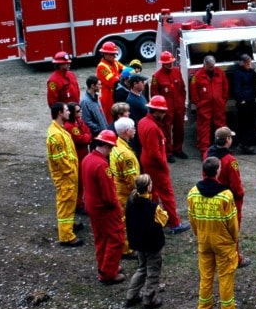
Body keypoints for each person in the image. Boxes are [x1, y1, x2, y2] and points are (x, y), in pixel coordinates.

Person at [187, 157, 242, 309]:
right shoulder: (225, 195)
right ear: (218, 171)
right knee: (225, 279)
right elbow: (233, 223)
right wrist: (234, 240)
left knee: (206, 277)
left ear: (204, 171)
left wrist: (199, 234)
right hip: (223, 243)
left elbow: (192, 219)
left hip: (204, 241)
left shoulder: (192, 193)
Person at [138, 95, 190, 235]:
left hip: (147, 163)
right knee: (167, 194)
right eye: (162, 111)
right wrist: (164, 166)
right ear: (155, 111)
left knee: (152, 193)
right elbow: (155, 153)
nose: (164, 114)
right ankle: (174, 223)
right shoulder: (153, 128)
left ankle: (155, 219)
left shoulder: (143, 122)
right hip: (156, 166)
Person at [81, 129, 125, 284]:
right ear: (106, 146)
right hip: (104, 209)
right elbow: (109, 195)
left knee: (101, 239)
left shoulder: (87, 159)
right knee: (116, 239)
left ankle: (105, 266)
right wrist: (117, 208)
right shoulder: (102, 166)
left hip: (92, 207)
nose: (111, 151)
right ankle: (108, 273)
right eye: (111, 148)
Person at [206, 127, 250, 267]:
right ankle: (235, 257)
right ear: (227, 140)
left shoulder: (208, 154)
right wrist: (240, 195)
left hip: (213, 195)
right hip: (230, 200)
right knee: (233, 229)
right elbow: (236, 185)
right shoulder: (230, 160)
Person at [125, 174, 167, 309]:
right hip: (152, 244)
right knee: (153, 271)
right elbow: (163, 220)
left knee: (142, 268)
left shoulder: (131, 201)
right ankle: (149, 298)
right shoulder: (152, 207)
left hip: (138, 243)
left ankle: (131, 295)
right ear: (148, 187)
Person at [46, 102, 83, 247]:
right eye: (67, 110)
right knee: (65, 203)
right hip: (65, 176)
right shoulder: (56, 135)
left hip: (69, 174)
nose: (69, 112)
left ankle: (69, 225)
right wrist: (71, 171)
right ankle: (66, 236)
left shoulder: (60, 130)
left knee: (70, 202)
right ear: (60, 113)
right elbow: (60, 159)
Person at [110, 117, 141, 257]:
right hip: (125, 192)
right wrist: (139, 189)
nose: (135, 130)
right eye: (133, 127)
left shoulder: (117, 145)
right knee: (125, 220)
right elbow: (132, 178)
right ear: (127, 131)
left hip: (118, 188)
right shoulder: (126, 154)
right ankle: (126, 249)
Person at [190, 55, 229, 158]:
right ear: (205, 64)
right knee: (203, 128)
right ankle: (205, 152)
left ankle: (222, 148)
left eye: (213, 66)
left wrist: (223, 100)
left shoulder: (220, 73)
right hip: (204, 106)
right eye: (210, 67)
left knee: (221, 127)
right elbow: (193, 93)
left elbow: (225, 87)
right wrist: (198, 104)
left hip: (218, 105)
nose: (212, 68)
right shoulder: (197, 76)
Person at [151, 51, 187, 162]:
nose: (170, 64)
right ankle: (168, 151)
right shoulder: (156, 76)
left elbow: (182, 89)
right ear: (163, 63)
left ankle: (178, 149)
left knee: (180, 129)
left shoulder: (177, 72)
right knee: (166, 131)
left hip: (178, 107)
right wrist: (159, 111)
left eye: (171, 62)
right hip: (166, 110)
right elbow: (154, 94)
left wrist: (182, 103)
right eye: (167, 63)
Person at [64, 102, 92, 214]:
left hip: (83, 153)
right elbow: (82, 139)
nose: (81, 112)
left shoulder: (78, 121)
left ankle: (80, 201)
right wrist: (87, 136)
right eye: (78, 111)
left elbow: (87, 131)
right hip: (78, 155)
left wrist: (86, 136)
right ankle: (78, 204)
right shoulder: (70, 126)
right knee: (79, 181)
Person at [232, 54, 256, 155]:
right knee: (246, 124)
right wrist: (241, 100)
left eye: (250, 62)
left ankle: (244, 143)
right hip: (244, 102)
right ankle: (246, 145)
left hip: (251, 100)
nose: (249, 64)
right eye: (247, 63)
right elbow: (236, 89)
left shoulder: (251, 72)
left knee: (255, 124)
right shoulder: (238, 73)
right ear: (242, 63)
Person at [96, 40, 124, 119]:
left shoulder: (115, 62)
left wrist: (119, 75)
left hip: (116, 95)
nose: (115, 56)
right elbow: (113, 82)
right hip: (108, 97)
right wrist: (121, 76)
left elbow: (126, 70)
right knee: (110, 118)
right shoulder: (101, 67)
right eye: (112, 54)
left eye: (115, 54)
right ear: (105, 54)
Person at [126, 74, 149, 160]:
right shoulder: (131, 100)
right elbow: (135, 121)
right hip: (141, 133)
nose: (144, 83)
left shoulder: (140, 95)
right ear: (135, 84)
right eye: (142, 82)